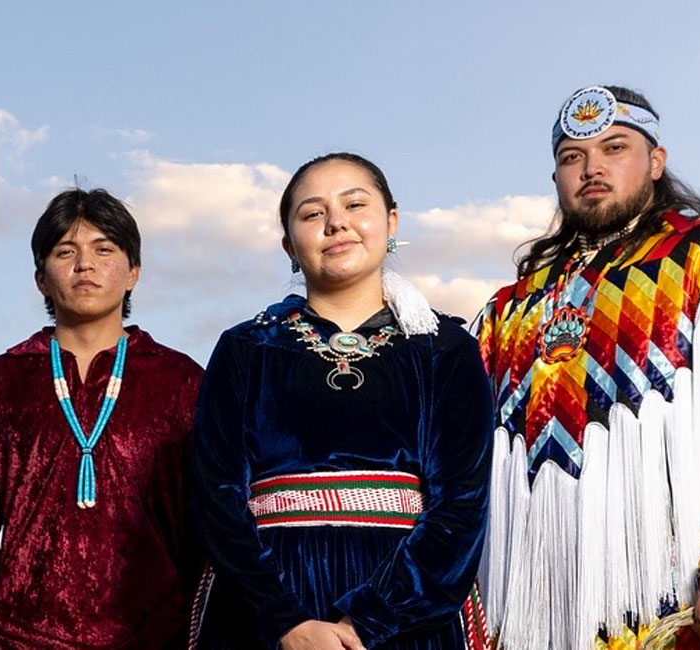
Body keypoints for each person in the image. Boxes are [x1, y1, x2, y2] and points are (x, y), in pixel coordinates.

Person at [474, 86, 700, 650]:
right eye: (572, 157)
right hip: (536, 597)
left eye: (615, 148)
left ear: (656, 162)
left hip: (678, 581)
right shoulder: (508, 308)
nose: (592, 168)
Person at [188, 152, 494, 650]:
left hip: (402, 607)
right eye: (312, 213)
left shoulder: (444, 350)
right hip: (266, 605)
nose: (336, 223)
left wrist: (367, 622)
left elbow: (461, 507)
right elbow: (215, 496)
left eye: (355, 204)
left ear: (391, 221)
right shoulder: (248, 348)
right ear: (289, 244)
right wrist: (284, 621)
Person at [0, 188, 205, 649]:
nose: (85, 264)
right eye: (66, 251)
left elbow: (206, 517)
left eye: (104, 249)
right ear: (42, 278)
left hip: (155, 636)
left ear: (133, 272)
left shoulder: (183, 382)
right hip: (16, 638)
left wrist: (187, 625)